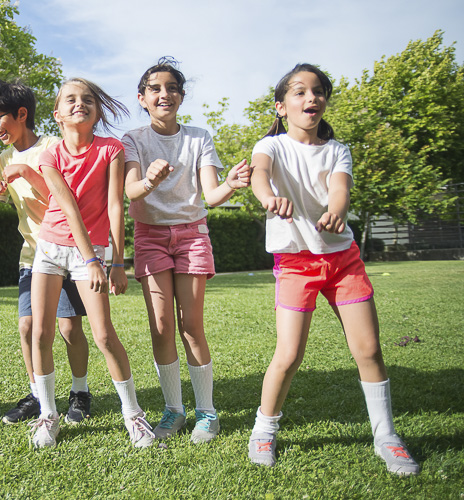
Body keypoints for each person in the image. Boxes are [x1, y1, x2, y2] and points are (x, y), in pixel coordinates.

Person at [247, 63, 420, 476]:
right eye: (300, 92)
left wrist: (335, 212)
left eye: (318, 91)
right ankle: (263, 430)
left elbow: (339, 189)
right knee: (288, 355)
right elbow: (259, 176)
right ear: (282, 105)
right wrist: (270, 199)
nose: (312, 98)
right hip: (295, 264)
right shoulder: (270, 146)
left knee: (370, 350)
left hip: (343, 261)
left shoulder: (337, 149)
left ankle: (386, 436)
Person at [122, 57, 250, 443]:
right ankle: (174, 410)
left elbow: (211, 195)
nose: (165, 94)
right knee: (161, 327)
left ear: (181, 96)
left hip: (193, 236)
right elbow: (130, 193)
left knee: (191, 326)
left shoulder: (199, 137)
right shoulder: (133, 140)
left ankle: (207, 412)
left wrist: (231, 183)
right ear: (142, 98)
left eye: (173, 88)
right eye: (156, 88)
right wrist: (149, 179)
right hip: (150, 236)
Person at [29, 77, 155, 448]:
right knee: (41, 333)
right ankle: (48, 415)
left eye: (87, 99)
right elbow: (67, 208)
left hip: (94, 253)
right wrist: (92, 258)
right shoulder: (49, 155)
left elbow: (117, 204)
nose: (79, 103)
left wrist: (116, 261)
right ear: (57, 114)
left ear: (97, 111)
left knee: (103, 335)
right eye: (70, 99)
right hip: (52, 248)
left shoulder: (111, 150)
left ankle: (133, 414)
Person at [0, 82, 93, 424]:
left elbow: (66, 201)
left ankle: (80, 392)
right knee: (27, 327)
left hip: (66, 251)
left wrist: (28, 173)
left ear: (22, 114)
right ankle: (38, 394)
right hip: (32, 256)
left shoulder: (54, 147)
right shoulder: (4, 158)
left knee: (69, 328)